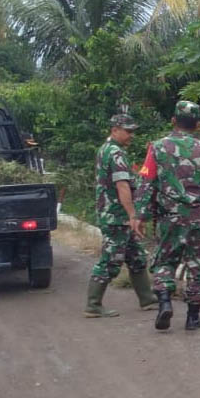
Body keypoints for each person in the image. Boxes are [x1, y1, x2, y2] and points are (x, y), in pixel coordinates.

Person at [136, 100, 200, 331]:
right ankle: (193, 317)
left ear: (173, 121)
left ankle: (165, 303)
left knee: (165, 261)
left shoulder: (156, 148)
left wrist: (140, 215)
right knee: (198, 264)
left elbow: (146, 182)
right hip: (197, 216)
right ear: (197, 125)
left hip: (168, 217)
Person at [84, 113, 158, 318]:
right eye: (127, 131)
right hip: (116, 216)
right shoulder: (115, 153)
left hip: (116, 214)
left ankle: (147, 299)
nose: (131, 135)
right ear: (114, 130)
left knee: (136, 257)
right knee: (110, 259)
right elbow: (122, 186)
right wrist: (133, 215)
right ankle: (93, 304)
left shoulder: (106, 149)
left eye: (132, 131)